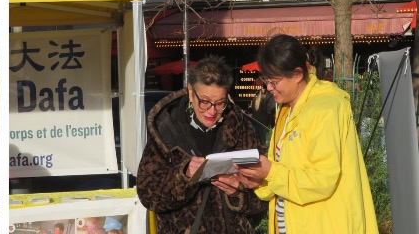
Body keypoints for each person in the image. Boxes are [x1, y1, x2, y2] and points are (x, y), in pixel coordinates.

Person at [236, 34, 377, 233]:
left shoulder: (325, 108)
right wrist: (257, 180)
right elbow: (284, 173)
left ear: (297, 74)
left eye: (274, 81)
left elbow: (322, 180)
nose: (268, 88)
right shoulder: (286, 109)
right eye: (266, 80)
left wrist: (271, 172)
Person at [137, 56, 267, 233]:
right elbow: (148, 195)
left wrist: (238, 193)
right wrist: (184, 175)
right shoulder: (168, 129)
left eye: (220, 103)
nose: (212, 111)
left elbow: (264, 198)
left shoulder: (242, 129)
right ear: (191, 92)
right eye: (204, 102)